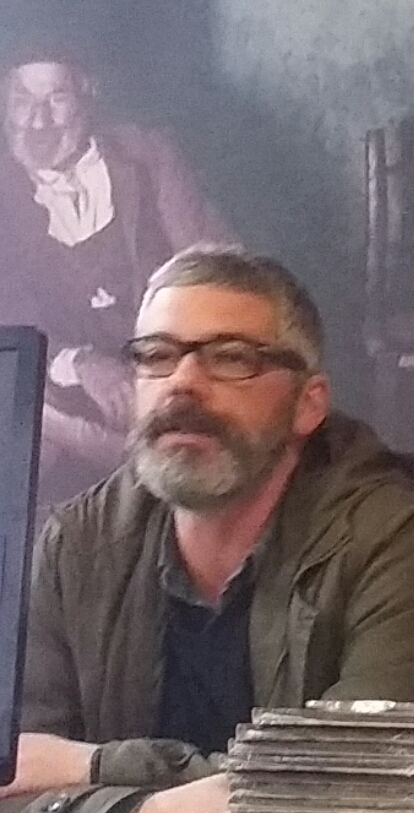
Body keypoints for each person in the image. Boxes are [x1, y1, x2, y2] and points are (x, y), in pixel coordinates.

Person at [0, 245, 414, 813]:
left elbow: (370, 795)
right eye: (156, 356)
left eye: (230, 359)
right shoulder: (74, 546)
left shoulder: (391, 541)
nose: (183, 382)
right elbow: (11, 797)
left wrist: (97, 774)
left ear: (308, 404)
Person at [0, 43, 234, 509]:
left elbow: (215, 265)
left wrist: (160, 360)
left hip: (159, 366)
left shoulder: (147, 157)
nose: (38, 121)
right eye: (22, 101)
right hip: (53, 377)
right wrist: (79, 363)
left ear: (88, 95)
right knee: (31, 426)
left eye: (57, 98)